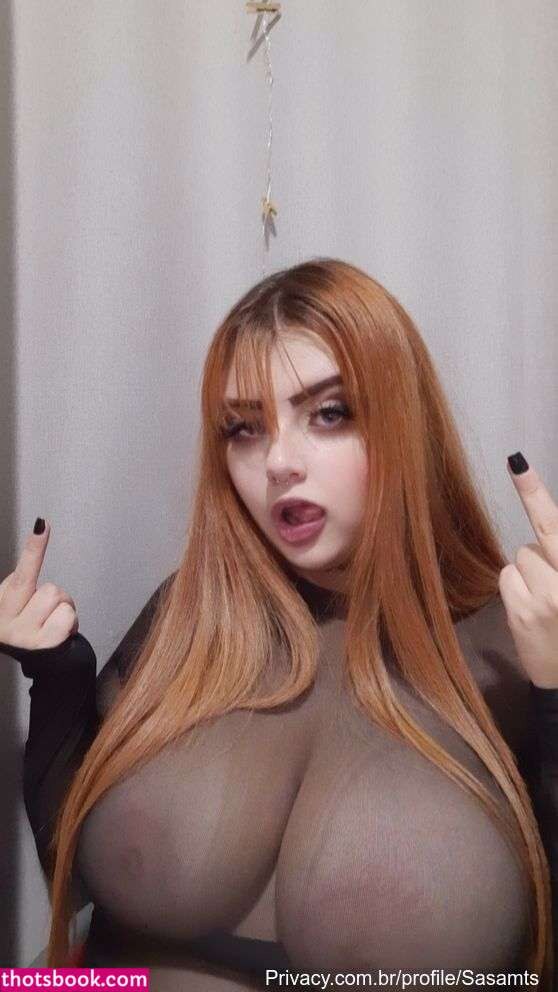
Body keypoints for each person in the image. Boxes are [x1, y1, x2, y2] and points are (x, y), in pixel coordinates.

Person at [1, 257, 557, 991]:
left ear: (405, 423)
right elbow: (71, 871)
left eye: (329, 413)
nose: (278, 462)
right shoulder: (193, 614)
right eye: (243, 428)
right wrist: (57, 678)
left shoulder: (513, 645)